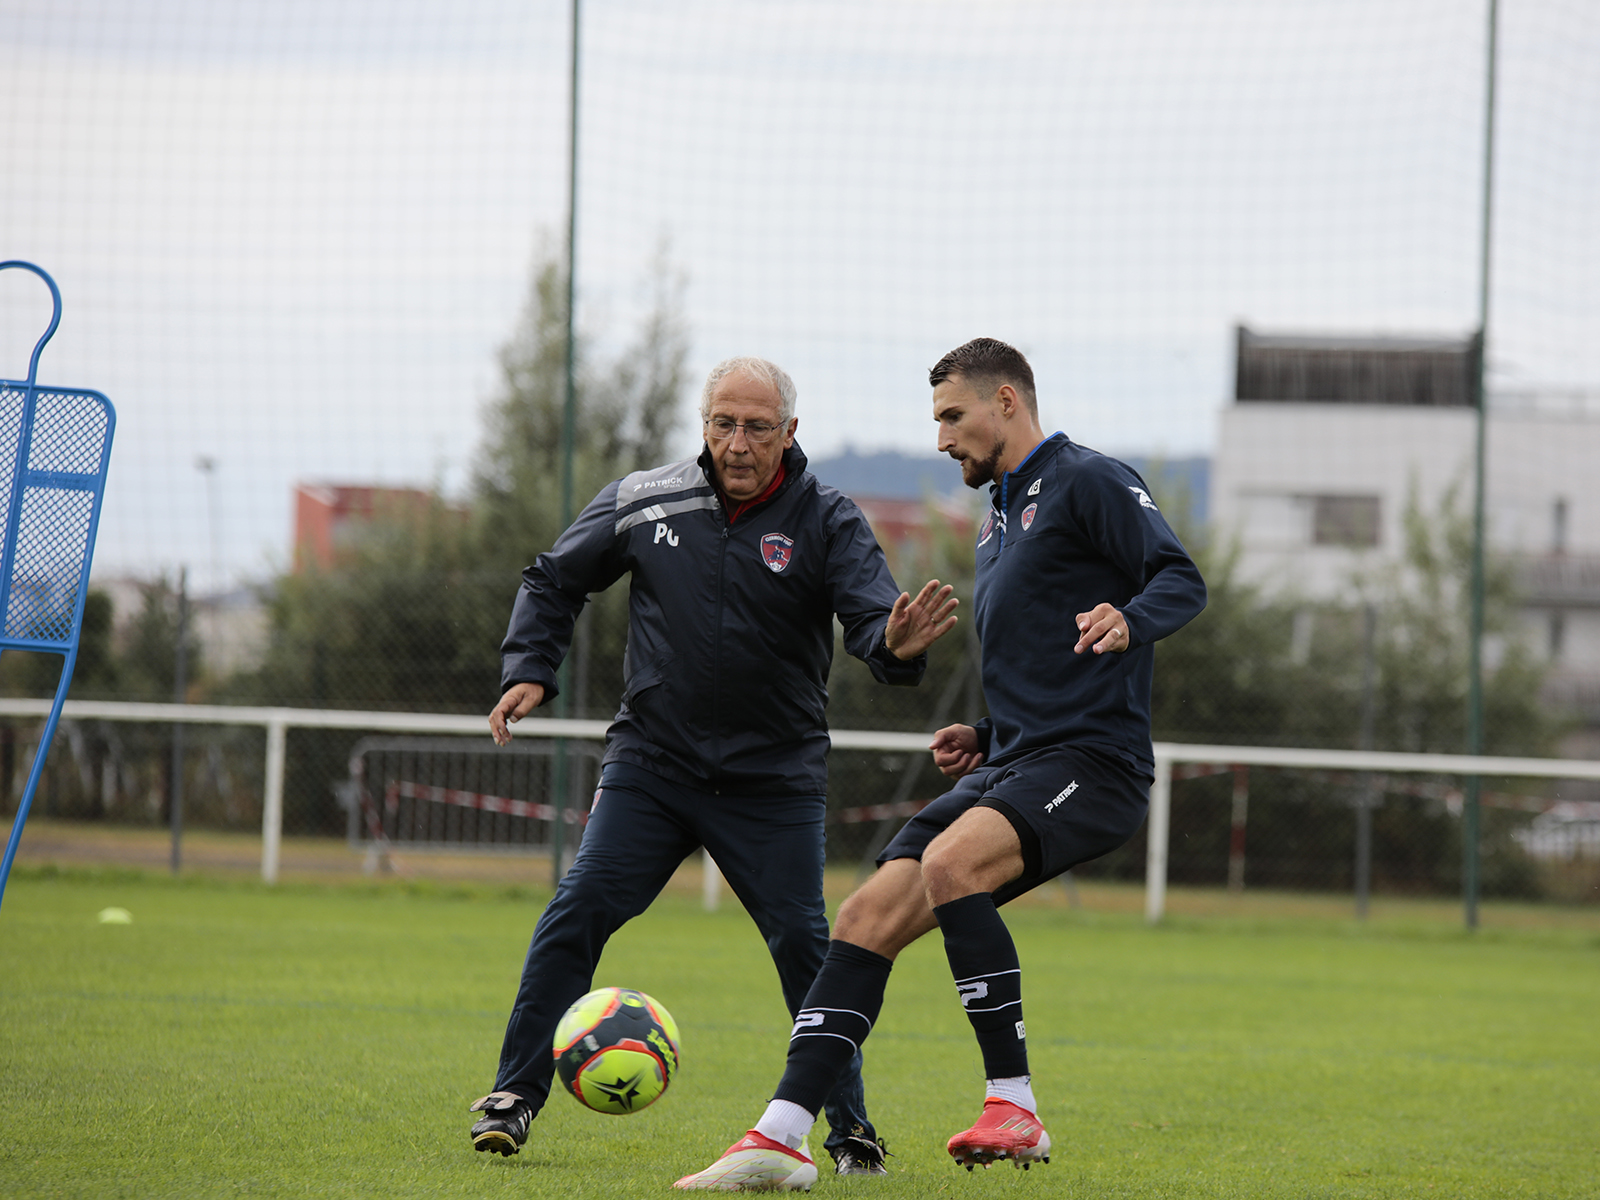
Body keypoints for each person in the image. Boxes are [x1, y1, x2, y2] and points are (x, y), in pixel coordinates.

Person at [675, 337, 1207, 1191]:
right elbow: (1047, 674)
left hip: (1096, 765)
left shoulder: (1089, 480)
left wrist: (1132, 618)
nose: (941, 438)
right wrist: (988, 735)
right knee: (863, 916)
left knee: (953, 862)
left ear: (1007, 402)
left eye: (952, 417)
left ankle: (1014, 1105)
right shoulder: (999, 512)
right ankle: (779, 1138)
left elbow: (1180, 576)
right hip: (1019, 759)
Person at [469, 355, 960, 1175]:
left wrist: (893, 646)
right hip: (653, 767)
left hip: (773, 781)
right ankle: (514, 1097)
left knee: (811, 945)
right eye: (723, 424)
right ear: (703, 426)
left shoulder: (829, 519)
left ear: (790, 433)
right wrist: (529, 668)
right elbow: (554, 580)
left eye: (757, 427)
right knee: (580, 904)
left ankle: (851, 1132)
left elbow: (876, 620)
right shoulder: (644, 498)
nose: (737, 443)